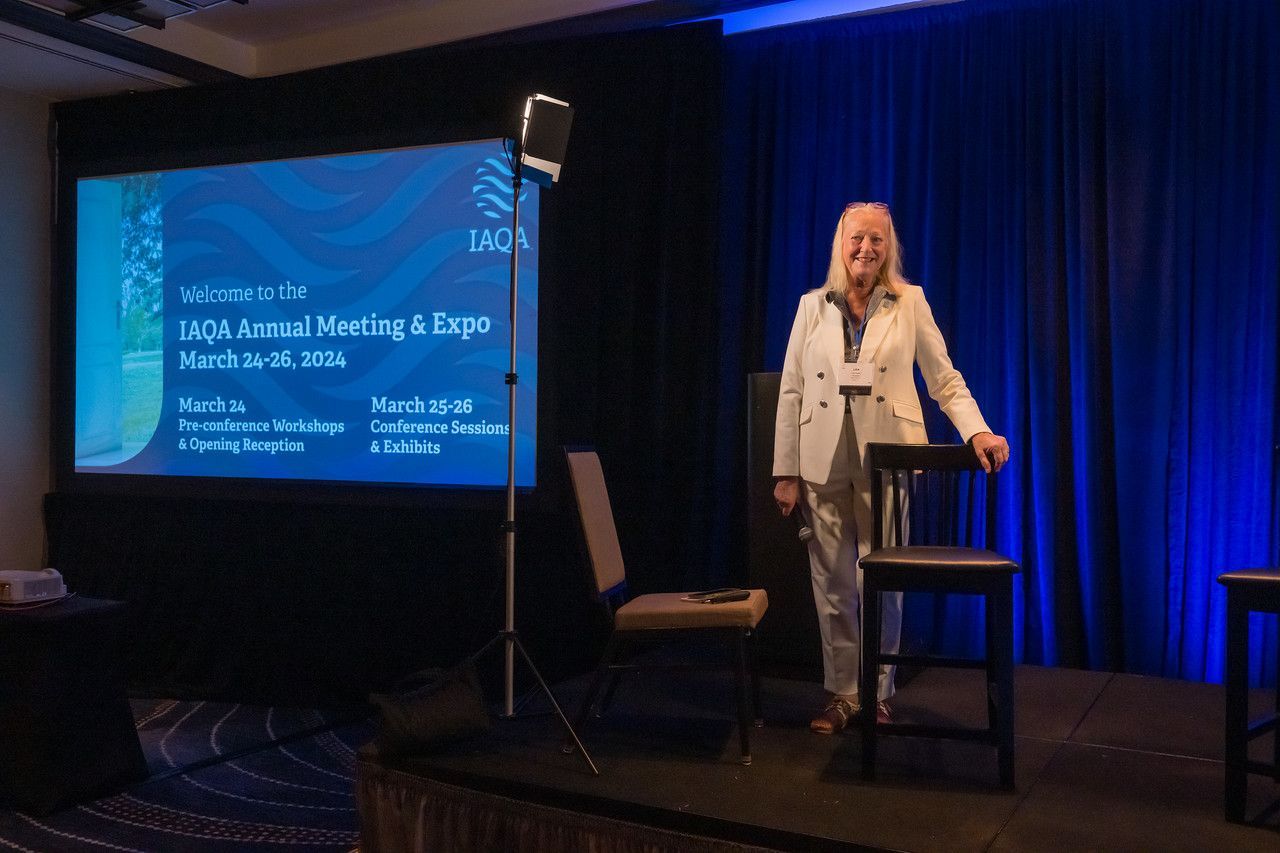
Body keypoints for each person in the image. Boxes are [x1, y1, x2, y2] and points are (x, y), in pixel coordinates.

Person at [772, 202, 1009, 734]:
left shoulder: (910, 303)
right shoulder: (813, 307)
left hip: (890, 461)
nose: (866, 249)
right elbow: (791, 392)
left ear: (889, 248)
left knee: (881, 578)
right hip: (821, 458)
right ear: (841, 243)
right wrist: (785, 469)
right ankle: (842, 695)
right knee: (831, 583)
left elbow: (944, 379)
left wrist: (978, 430)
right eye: (858, 238)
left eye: (877, 240)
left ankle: (877, 693)